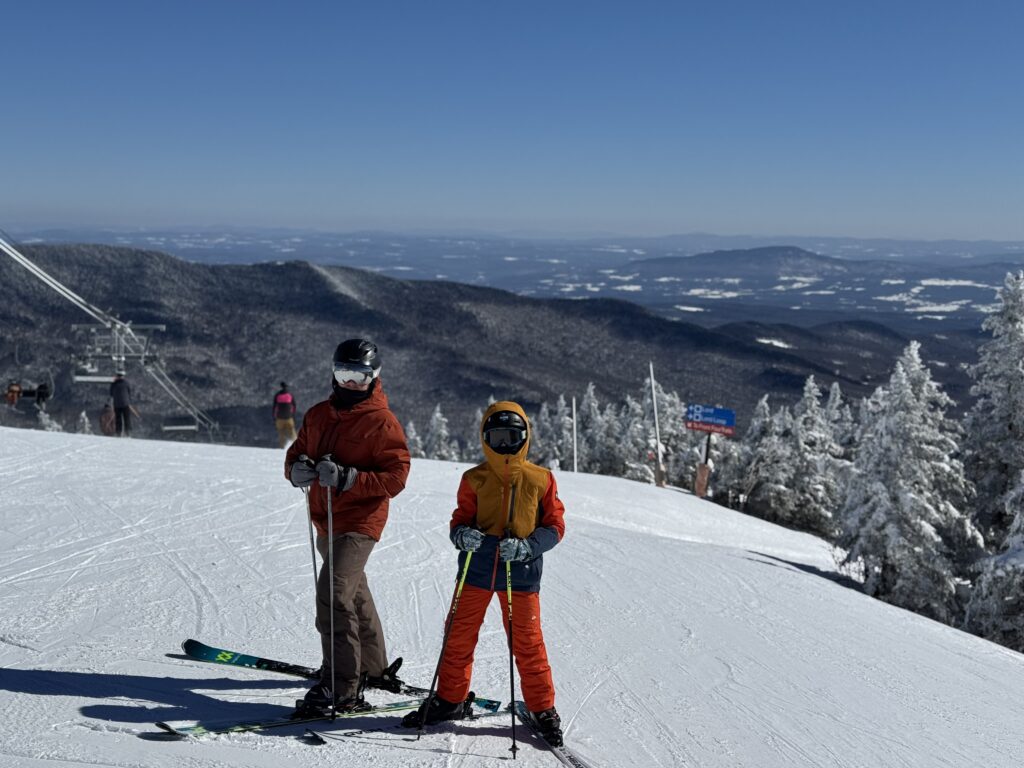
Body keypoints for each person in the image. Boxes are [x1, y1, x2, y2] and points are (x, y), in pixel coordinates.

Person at [401, 401, 566, 747]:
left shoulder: (541, 479)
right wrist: (463, 536)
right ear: (485, 438)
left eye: (512, 437)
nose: (505, 445)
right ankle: (450, 699)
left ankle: (542, 707)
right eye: (497, 437)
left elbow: (554, 526)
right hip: (476, 572)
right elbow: (458, 521)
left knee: (528, 643)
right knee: (458, 637)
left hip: (519, 575)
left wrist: (528, 546)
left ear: (525, 437)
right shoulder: (473, 478)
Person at [285, 339, 411, 715]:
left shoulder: (381, 422)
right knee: (353, 592)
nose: (352, 383)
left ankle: (342, 687)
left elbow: (397, 476)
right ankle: (372, 668)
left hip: (360, 521)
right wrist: (296, 469)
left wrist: (348, 478)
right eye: (345, 374)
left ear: (375, 378)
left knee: (334, 594)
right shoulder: (318, 414)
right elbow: (297, 451)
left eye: (361, 376)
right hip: (326, 518)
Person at [273, 382, 298, 448]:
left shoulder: (277, 395)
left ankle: (282, 447)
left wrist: (274, 418)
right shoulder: (290, 395)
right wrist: (293, 416)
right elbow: (294, 406)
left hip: (279, 418)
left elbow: (274, 407)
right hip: (289, 417)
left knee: (281, 434)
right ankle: (296, 446)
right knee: (292, 432)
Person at [109, 371, 132, 437]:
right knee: (127, 419)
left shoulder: (114, 384)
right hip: (125, 404)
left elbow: (111, 393)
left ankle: (118, 433)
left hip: (117, 404)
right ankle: (128, 433)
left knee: (118, 420)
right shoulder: (126, 383)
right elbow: (129, 392)